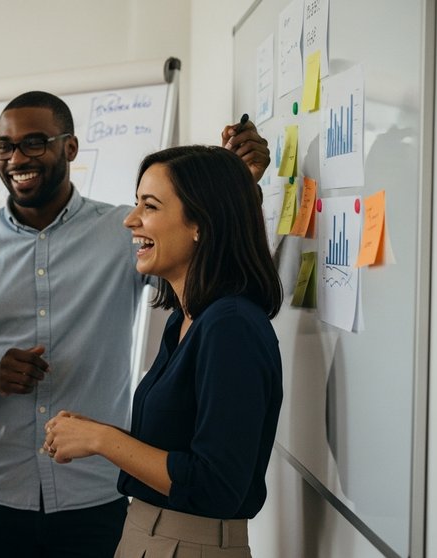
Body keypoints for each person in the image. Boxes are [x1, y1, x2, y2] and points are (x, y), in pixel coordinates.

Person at [0, 91, 270, 558]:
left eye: (35, 142)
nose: (17, 157)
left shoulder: (126, 235)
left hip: (97, 496)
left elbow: (200, 243)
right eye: (5, 146)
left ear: (70, 148)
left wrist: (235, 184)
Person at [43, 145, 283, 558]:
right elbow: (181, 450)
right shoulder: (185, 319)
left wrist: (101, 440)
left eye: (149, 206)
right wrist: (95, 434)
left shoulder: (232, 327)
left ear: (200, 224)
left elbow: (216, 485)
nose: (130, 220)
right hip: (148, 533)